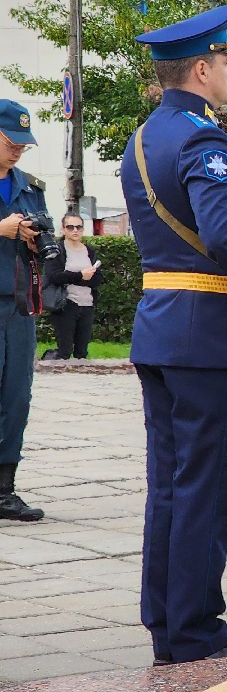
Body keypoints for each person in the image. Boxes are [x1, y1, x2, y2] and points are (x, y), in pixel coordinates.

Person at [119, 5, 227, 663]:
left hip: (161, 332)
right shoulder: (202, 138)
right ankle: (194, 630)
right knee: (207, 486)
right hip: (210, 341)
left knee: (171, 483)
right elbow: (224, 234)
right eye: (225, 61)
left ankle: (168, 619)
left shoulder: (145, 139)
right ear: (201, 68)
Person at [0, 99, 51, 522]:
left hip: (18, 305)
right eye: (10, 142)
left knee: (16, 398)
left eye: (23, 144)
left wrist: (35, 240)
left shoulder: (29, 187)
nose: (18, 150)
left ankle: (4, 489)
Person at [44, 212, 102, 360]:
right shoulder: (57, 250)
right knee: (64, 352)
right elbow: (54, 276)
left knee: (82, 353)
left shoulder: (89, 251)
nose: (75, 230)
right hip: (66, 303)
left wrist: (78, 277)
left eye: (78, 227)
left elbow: (97, 279)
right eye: (70, 227)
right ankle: (47, 360)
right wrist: (80, 275)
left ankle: (80, 382)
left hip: (87, 303)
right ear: (63, 230)